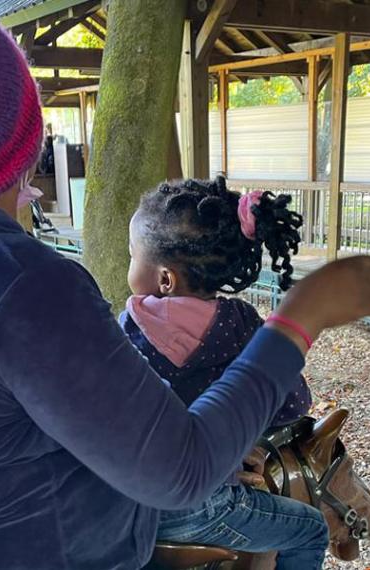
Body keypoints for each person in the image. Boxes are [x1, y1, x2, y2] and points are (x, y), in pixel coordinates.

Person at [0, 6, 370, 570]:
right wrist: (301, 315)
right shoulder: (19, 285)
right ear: (23, 146)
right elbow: (178, 471)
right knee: (302, 530)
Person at [120, 178, 325, 568]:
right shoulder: (242, 324)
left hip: (130, 501)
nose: (129, 263)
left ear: (165, 279)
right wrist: (243, 436)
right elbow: (294, 402)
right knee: (312, 529)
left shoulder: (127, 325)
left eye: (132, 255)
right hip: (204, 505)